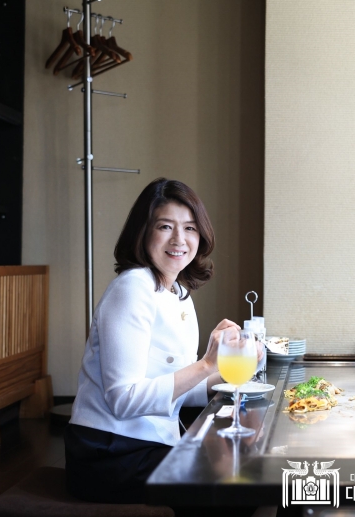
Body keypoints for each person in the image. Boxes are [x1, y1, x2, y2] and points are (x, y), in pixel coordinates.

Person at [65, 177, 258, 504]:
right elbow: (124, 400)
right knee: (238, 489)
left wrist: (224, 375)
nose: (179, 240)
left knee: (250, 474)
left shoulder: (177, 291)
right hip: (110, 453)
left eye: (190, 228)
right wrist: (207, 364)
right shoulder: (131, 289)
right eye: (165, 226)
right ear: (143, 231)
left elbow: (171, 386)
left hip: (149, 443)